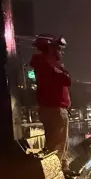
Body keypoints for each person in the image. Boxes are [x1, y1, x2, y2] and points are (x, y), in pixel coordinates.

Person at [31, 35, 72, 172]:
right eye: (59, 49)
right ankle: (53, 173)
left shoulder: (45, 63)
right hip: (55, 108)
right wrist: (62, 69)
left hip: (53, 108)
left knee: (59, 142)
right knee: (57, 144)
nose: (61, 53)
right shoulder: (47, 63)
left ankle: (62, 169)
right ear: (51, 49)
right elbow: (66, 79)